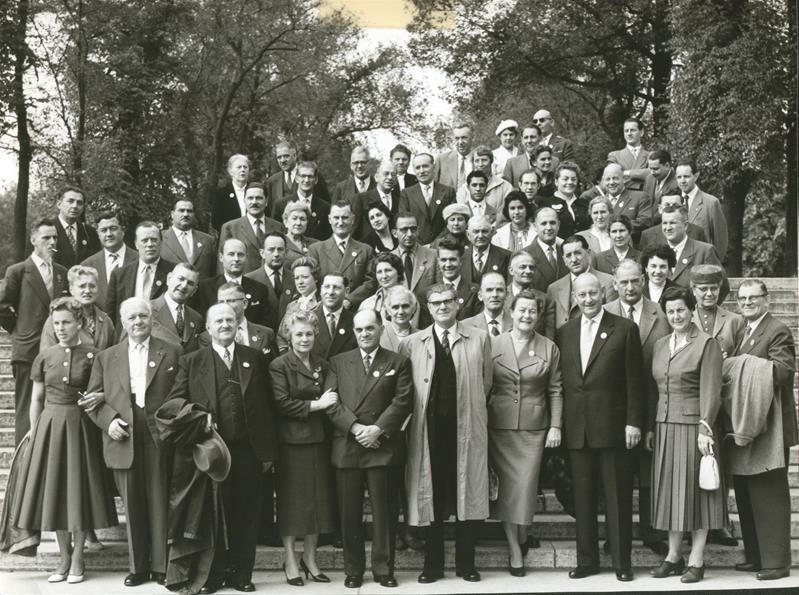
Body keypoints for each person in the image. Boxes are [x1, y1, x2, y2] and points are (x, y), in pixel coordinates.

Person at [164, 303, 278, 593]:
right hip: (211, 451)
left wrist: (267, 453)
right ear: (209, 328)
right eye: (219, 321)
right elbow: (173, 403)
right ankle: (211, 576)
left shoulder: (253, 357)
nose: (225, 325)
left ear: (237, 324)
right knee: (213, 517)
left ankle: (241, 575)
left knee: (247, 514)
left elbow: (267, 407)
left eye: (230, 320)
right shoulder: (192, 361)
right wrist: (199, 416)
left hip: (248, 451)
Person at [10, 298, 117, 584]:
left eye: (66, 322)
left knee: (78, 493)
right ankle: (64, 558)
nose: (60, 328)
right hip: (50, 427)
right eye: (56, 323)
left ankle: (79, 558)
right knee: (57, 493)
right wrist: (34, 431)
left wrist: (103, 397)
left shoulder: (95, 355)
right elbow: (35, 398)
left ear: (79, 323)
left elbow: (108, 390)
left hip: (82, 428)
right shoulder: (44, 356)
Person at [85, 297, 183, 587]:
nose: (138, 322)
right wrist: (109, 421)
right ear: (123, 322)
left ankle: (161, 566)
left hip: (159, 433)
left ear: (152, 319)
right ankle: (138, 566)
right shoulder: (107, 357)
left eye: (143, 316)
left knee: (159, 499)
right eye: (132, 318)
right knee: (133, 502)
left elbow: (181, 393)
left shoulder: (172, 352)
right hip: (123, 433)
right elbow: (92, 401)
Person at [399, 283, 493, 584]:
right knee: (433, 496)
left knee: (466, 493)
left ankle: (467, 564)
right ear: (427, 307)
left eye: (448, 301)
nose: (442, 307)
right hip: (429, 432)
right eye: (436, 303)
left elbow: (486, 382)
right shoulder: (413, 343)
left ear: (458, 303)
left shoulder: (479, 339)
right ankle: (433, 565)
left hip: (466, 427)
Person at [555, 272, 642, 582]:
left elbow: (635, 381)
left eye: (593, 293)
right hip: (578, 430)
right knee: (583, 498)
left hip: (614, 427)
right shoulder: (564, 332)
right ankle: (587, 561)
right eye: (582, 295)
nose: (588, 299)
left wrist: (634, 422)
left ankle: (622, 563)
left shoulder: (625, 329)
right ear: (575, 297)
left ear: (603, 293)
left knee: (618, 498)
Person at [325, 310, 413, 588]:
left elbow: (403, 401)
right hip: (348, 446)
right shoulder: (338, 362)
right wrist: (355, 428)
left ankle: (383, 568)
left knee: (384, 513)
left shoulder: (398, 362)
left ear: (380, 329)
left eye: (370, 329)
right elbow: (331, 402)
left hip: (382, 446)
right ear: (353, 331)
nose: (365, 334)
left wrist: (376, 430)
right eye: (360, 329)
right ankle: (353, 569)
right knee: (349, 514)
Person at [649, 286, 725, 584]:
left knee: (698, 495)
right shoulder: (660, 344)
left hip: (696, 429)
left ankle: (697, 558)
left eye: (681, 309)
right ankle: (673, 556)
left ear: (691, 309)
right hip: (665, 427)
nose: (676, 315)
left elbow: (711, 389)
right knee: (670, 493)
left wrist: (705, 427)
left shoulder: (706, 343)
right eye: (670, 311)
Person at [488, 290, 563, 576]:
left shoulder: (548, 347)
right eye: (522, 310)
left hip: (533, 429)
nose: (526, 316)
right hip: (500, 427)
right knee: (508, 491)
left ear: (538, 315)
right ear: (511, 311)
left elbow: (556, 389)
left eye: (532, 311)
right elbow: (485, 386)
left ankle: (521, 535)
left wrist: (555, 425)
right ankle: (515, 548)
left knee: (526, 488)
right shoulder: (494, 344)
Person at [731, 279, 797, 581]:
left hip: (771, 426)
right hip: (750, 422)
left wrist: (738, 364)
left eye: (753, 298)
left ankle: (777, 562)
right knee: (747, 492)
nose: (747, 303)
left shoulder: (777, 330)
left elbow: (782, 371)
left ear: (766, 299)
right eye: (742, 298)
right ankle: (756, 556)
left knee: (769, 493)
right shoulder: (744, 331)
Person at [603, 259, 671, 554]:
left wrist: (654, 420)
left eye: (634, 281)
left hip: (653, 401)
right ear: (614, 284)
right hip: (615, 407)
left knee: (648, 472)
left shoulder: (661, 315)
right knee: (615, 474)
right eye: (623, 282)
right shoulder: (604, 313)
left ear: (643, 280)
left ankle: (652, 532)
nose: (629, 288)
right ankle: (615, 535)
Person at [269, 310, 337, 586]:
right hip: (292, 443)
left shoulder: (323, 363)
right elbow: (281, 403)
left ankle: (310, 558)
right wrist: (316, 405)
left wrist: (323, 403)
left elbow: (334, 395)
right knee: (292, 503)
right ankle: (291, 559)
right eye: (299, 334)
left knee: (317, 503)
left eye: (309, 333)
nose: (304, 338)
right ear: (289, 335)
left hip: (319, 440)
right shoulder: (279, 365)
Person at [0, 219, 69, 443]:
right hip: (28, 350)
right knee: (26, 409)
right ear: (33, 240)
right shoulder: (18, 271)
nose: (51, 242)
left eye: (55, 238)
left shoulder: (61, 272)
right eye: (46, 238)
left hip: (59, 350)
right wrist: (21, 330)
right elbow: (3, 307)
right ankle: (24, 464)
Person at [307, 200, 377, 309]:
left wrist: (349, 300)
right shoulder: (316, 249)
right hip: (324, 308)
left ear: (352, 219)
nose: (340, 222)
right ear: (330, 219)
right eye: (336, 218)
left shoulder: (365, 250)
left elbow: (370, 282)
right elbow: (312, 281)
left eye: (345, 218)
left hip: (355, 310)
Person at [106, 221, 175, 328]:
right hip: (127, 338)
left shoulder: (174, 272)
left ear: (161, 242)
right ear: (136, 244)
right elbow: (110, 317)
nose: (150, 244)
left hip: (163, 336)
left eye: (154, 240)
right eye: (144, 240)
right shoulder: (119, 275)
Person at [193, 238, 270, 326]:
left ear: (246, 257)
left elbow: (264, 327)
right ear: (221, 257)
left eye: (240, 255)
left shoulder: (259, 289)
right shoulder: (205, 288)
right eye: (231, 254)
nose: (236, 259)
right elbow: (202, 322)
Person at [660, 205, 729, 301]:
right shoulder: (657, 252)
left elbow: (722, 287)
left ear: (686, 225)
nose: (667, 228)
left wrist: (704, 313)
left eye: (672, 223)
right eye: (664, 223)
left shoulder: (705, 251)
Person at [547, 235, 617, 329]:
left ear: (588, 253)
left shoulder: (608, 282)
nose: (574, 260)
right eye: (568, 255)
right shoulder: (554, 289)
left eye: (577, 253)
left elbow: (612, 322)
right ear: (564, 260)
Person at [40, 265, 115, 351]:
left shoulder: (105, 321)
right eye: (82, 286)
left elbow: (112, 356)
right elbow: (47, 356)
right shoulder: (56, 319)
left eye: (92, 286)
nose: (87, 291)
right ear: (71, 289)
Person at [218, 182, 283, 274]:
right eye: (250, 198)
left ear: (266, 201)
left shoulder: (278, 226)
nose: (254, 202)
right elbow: (222, 263)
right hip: (242, 281)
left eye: (259, 198)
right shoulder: (230, 227)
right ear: (244, 201)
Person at [416, 236, 481, 327]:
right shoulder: (425, 295)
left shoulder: (475, 291)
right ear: (438, 262)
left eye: (452, 259)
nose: (448, 264)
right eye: (443, 260)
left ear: (461, 261)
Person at [199, 282, 277, 357]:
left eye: (231, 301)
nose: (225, 305)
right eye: (221, 302)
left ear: (245, 303)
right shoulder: (207, 337)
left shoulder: (266, 334)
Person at [81, 210, 138, 312]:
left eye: (113, 229)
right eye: (103, 230)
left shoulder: (139, 260)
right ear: (98, 234)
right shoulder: (87, 265)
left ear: (123, 230)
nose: (109, 234)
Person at [674, 160, 728, 262]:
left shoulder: (711, 203)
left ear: (696, 176)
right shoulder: (673, 201)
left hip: (701, 263)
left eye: (686, 176)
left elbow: (720, 241)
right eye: (679, 177)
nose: (682, 181)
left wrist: (712, 266)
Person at [398, 153, 456, 245]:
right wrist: (419, 245)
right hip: (416, 247)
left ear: (434, 167)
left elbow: (452, 221)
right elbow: (404, 223)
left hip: (442, 246)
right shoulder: (406, 194)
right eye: (418, 168)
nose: (421, 171)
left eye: (425, 166)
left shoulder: (448, 192)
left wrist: (434, 244)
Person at [147, 263, 205, 352]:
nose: (184, 285)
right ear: (169, 279)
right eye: (181, 279)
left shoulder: (196, 319)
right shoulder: (146, 310)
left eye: (190, 283)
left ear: (194, 290)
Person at [245, 232, 296, 332]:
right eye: (271, 249)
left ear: (286, 252)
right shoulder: (249, 280)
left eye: (280, 249)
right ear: (262, 253)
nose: (276, 254)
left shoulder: (295, 278)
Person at [272, 161, 332, 240]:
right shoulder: (280, 205)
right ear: (296, 178)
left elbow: (327, 236)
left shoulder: (325, 207)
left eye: (310, 176)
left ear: (316, 180)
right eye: (303, 176)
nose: (306, 180)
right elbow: (275, 234)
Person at [160, 199, 217, 279]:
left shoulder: (208, 240)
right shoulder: (160, 238)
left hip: (202, 290)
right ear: (172, 214)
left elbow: (214, 271)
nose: (186, 214)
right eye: (181, 210)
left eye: (189, 211)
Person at [504, 251, 556, 339]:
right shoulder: (500, 296)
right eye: (523, 267)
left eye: (531, 268)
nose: (528, 271)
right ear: (511, 270)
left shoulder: (546, 300)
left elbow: (549, 338)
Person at [637, 192, 708, 253]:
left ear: (683, 207)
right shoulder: (648, 235)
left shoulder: (697, 232)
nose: (671, 209)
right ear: (660, 209)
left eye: (675, 205)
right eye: (667, 205)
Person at [277, 257, 321, 352]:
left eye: (305, 277)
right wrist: (285, 354)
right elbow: (281, 336)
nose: (300, 282)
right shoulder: (292, 305)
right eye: (297, 278)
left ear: (315, 278)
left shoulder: (322, 303)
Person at [456, 147, 513, 218]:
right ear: (473, 163)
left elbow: (507, 212)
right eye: (477, 161)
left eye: (484, 160)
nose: (480, 164)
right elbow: (461, 213)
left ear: (491, 161)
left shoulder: (505, 186)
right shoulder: (464, 188)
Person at [52, 186, 100, 269]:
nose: (75, 206)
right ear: (59, 204)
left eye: (79, 203)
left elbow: (97, 262)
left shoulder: (89, 232)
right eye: (70, 201)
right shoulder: (47, 229)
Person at [602, 163, 653, 241]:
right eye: (608, 179)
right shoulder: (600, 202)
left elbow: (645, 222)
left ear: (624, 179)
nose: (611, 182)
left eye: (615, 178)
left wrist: (616, 227)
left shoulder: (640, 197)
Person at [311, 273, 357, 360]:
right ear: (321, 290)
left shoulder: (355, 322)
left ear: (347, 291)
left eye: (336, 287)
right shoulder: (307, 319)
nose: (331, 292)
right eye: (327, 287)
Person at [352, 159, 400, 240]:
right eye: (386, 174)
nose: (390, 177)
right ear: (376, 177)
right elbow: (354, 230)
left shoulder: (400, 200)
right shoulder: (361, 199)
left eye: (393, 175)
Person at [523, 207, 567, 292]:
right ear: (535, 227)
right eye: (543, 223)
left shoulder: (566, 252)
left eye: (552, 223)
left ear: (559, 225)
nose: (549, 227)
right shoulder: (524, 255)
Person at [391, 212, 437, 293]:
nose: (409, 234)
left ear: (418, 230)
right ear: (394, 233)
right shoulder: (388, 259)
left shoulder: (434, 256)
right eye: (404, 230)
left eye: (413, 229)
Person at [462, 215, 511, 285]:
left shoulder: (507, 257)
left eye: (484, 231)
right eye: (476, 232)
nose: (480, 236)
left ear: (492, 232)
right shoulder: (461, 257)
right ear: (468, 235)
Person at [358, 252, 406, 323]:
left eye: (388, 270)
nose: (384, 276)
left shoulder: (409, 301)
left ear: (398, 273)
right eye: (379, 272)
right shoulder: (366, 304)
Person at [547, 161, 590, 239]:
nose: (570, 182)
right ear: (556, 182)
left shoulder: (585, 204)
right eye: (565, 179)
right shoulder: (547, 204)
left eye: (573, 179)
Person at [462, 272, 512, 337]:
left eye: (499, 290)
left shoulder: (517, 324)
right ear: (480, 295)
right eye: (489, 290)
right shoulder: (465, 326)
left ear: (507, 294)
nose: (495, 295)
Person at [607, 117, 650, 193]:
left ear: (641, 132)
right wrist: (641, 176)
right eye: (626, 131)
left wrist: (627, 173)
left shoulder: (650, 155)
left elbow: (651, 173)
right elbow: (614, 176)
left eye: (633, 130)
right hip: (624, 197)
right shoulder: (614, 155)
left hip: (645, 196)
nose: (629, 134)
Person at [211, 154, 251, 232]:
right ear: (230, 171)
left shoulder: (255, 191)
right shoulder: (221, 193)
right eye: (239, 167)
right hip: (230, 237)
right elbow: (216, 222)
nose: (243, 170)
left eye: (245, 167)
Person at [435, 123, 474, 189]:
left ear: (472, 138)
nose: (460, 142)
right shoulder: (441, 160)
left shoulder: (480, 159)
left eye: (464, 138)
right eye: (457, 138)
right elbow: (434, 186)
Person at [379, 285, 419, 351]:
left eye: (405, 306)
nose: (401, 312)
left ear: (414, 308)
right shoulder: (379, 336)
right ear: (388, 310)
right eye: (395, 307)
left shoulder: (422, 336)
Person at [280, 201, 319, 266]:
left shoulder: (315, 244)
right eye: (294, 218)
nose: (298, 223)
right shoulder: (279, 243)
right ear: (286, 221)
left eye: (302, 219)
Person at [641, 244, 676, 309]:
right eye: (653, 266)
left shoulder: (678, 291)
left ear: (669, 268)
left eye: (663, 266)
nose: (658, 271)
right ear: (646, 268)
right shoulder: (639, 291)